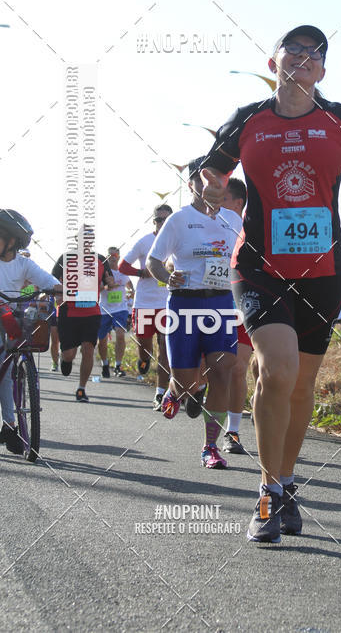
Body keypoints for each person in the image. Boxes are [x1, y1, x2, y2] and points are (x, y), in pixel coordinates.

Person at [199, 24, 341, 542]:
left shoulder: (340, 118)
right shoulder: (247, 121)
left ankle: (285, 481)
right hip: (259, 268)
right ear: (274, 63)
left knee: (301, 384)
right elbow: (211, 172)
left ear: (323, 71)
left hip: (323, 271)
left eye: (315, 54)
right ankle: (267, 492)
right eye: (295, 50)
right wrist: (213, 187)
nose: (304, 58)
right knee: (277, 367)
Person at [146, 158, 243, 469]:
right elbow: (154, 260)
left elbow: (247, 261)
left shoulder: (234, 220)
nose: (213, 184)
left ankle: (210, 447)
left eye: (219, 178)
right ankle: (177, 391)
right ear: (191, 185)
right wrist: (166, 276)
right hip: (184, 304)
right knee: (187, 381)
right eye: (205, 179)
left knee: (223, 370)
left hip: (221, 303)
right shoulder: (178, 220)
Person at [0, 209, 61, 452]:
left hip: (7, 325)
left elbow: (49, 282)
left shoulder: (23, 264)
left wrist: (58, 291)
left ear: (11, 242)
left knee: (8, 370)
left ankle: (10, 425)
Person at [119, 205, 172, 408]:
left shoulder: (177, 240)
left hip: (167, 303)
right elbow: (123, 266)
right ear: (154, 221)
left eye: (166, 220)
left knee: (165, 349)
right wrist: (141, 273)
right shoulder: (144, 242)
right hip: (144, 303)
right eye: (159, 220)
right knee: (144, 346)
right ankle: (143, 360)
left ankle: (161, 393)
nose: (162, 223)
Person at [52, 232, 114, 402]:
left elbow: (110, 282)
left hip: (91, 312)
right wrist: (58, 294)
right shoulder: (65, 258)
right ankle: (65, 359)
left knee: (88, 348)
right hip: (68, 311)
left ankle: (81, 388)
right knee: (69, 355)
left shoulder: (101, 259)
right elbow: (52, 279)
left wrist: (109, 283)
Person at [220, 177, 252, 455]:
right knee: (207, 372)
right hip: (207, 306)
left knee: (238, 368)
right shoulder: (204, 222)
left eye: (223, 199)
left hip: (242, 306)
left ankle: (232, 432)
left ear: (238, 203)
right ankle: (193, 391)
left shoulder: (253, 228)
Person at [98, 247, 132, 377]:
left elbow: (129, 285)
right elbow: (97, 288)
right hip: (104, 309)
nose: (113, 256)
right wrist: (107, 286)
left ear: (118, 256)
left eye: (115, 254)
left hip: (120, 308)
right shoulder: (102, 272)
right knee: (102, 340)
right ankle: (105, 364)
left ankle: (118, 365)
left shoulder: (123, 272)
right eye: (110, 254)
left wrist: (130, 292)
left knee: (120, 335)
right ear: (107, 257)